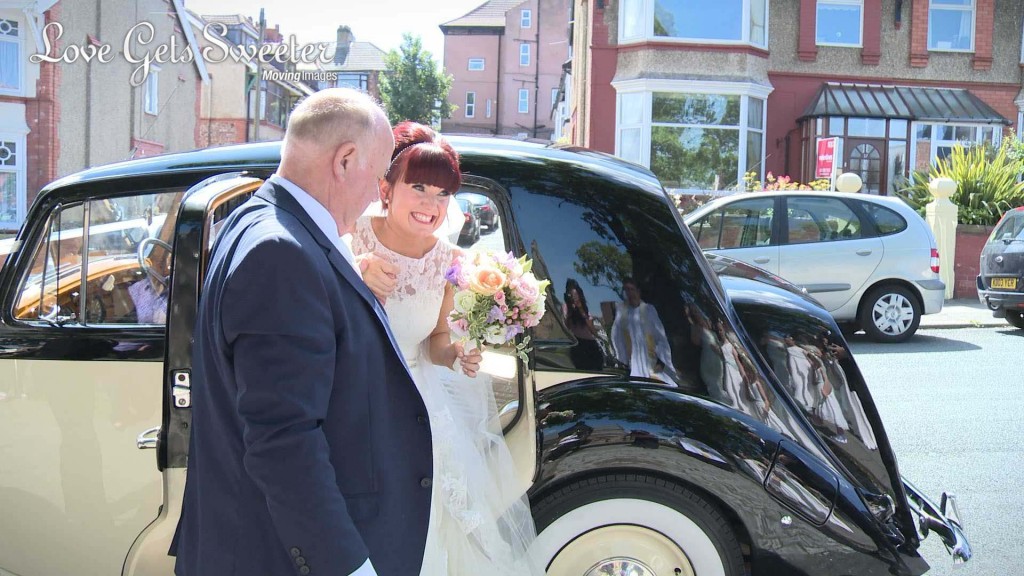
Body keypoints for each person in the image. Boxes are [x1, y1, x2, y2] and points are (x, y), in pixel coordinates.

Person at [170, 89, 433, 576]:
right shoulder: (280, 252)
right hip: (273, 556)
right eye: (378, 177)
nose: (379, 195)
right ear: (345, 161)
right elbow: (284, 441)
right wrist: (348, 566)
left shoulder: (259, 220)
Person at [352, 121, 541, 575]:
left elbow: (435, 341)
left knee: (432, 523)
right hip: (352, 396)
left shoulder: (448, 262)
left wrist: (454, 355)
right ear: (386, 187)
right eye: (418, 187)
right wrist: (355, 268)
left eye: (442, 195)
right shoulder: (351, 237)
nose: (430, 205)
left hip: (417, 402)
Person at [611, 277, 680, 386]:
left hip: (651, 364)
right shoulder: (622, 312)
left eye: (631, 289)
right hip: (634, 366)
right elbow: (617, 337)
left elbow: (660, 337)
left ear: (638, 291)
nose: (629, 293)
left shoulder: (649, 310)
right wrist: (622, 359)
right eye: (626, 290)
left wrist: (661, 362)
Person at [563, 278, 605, 370]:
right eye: (571, 294)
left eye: (575, 294)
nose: (573, 297)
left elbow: (592, 329)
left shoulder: (584, 307)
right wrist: (571, 310)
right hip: (578, 344)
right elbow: (567, 327)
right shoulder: (566, 307)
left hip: (591, 344)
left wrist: (581, 309)